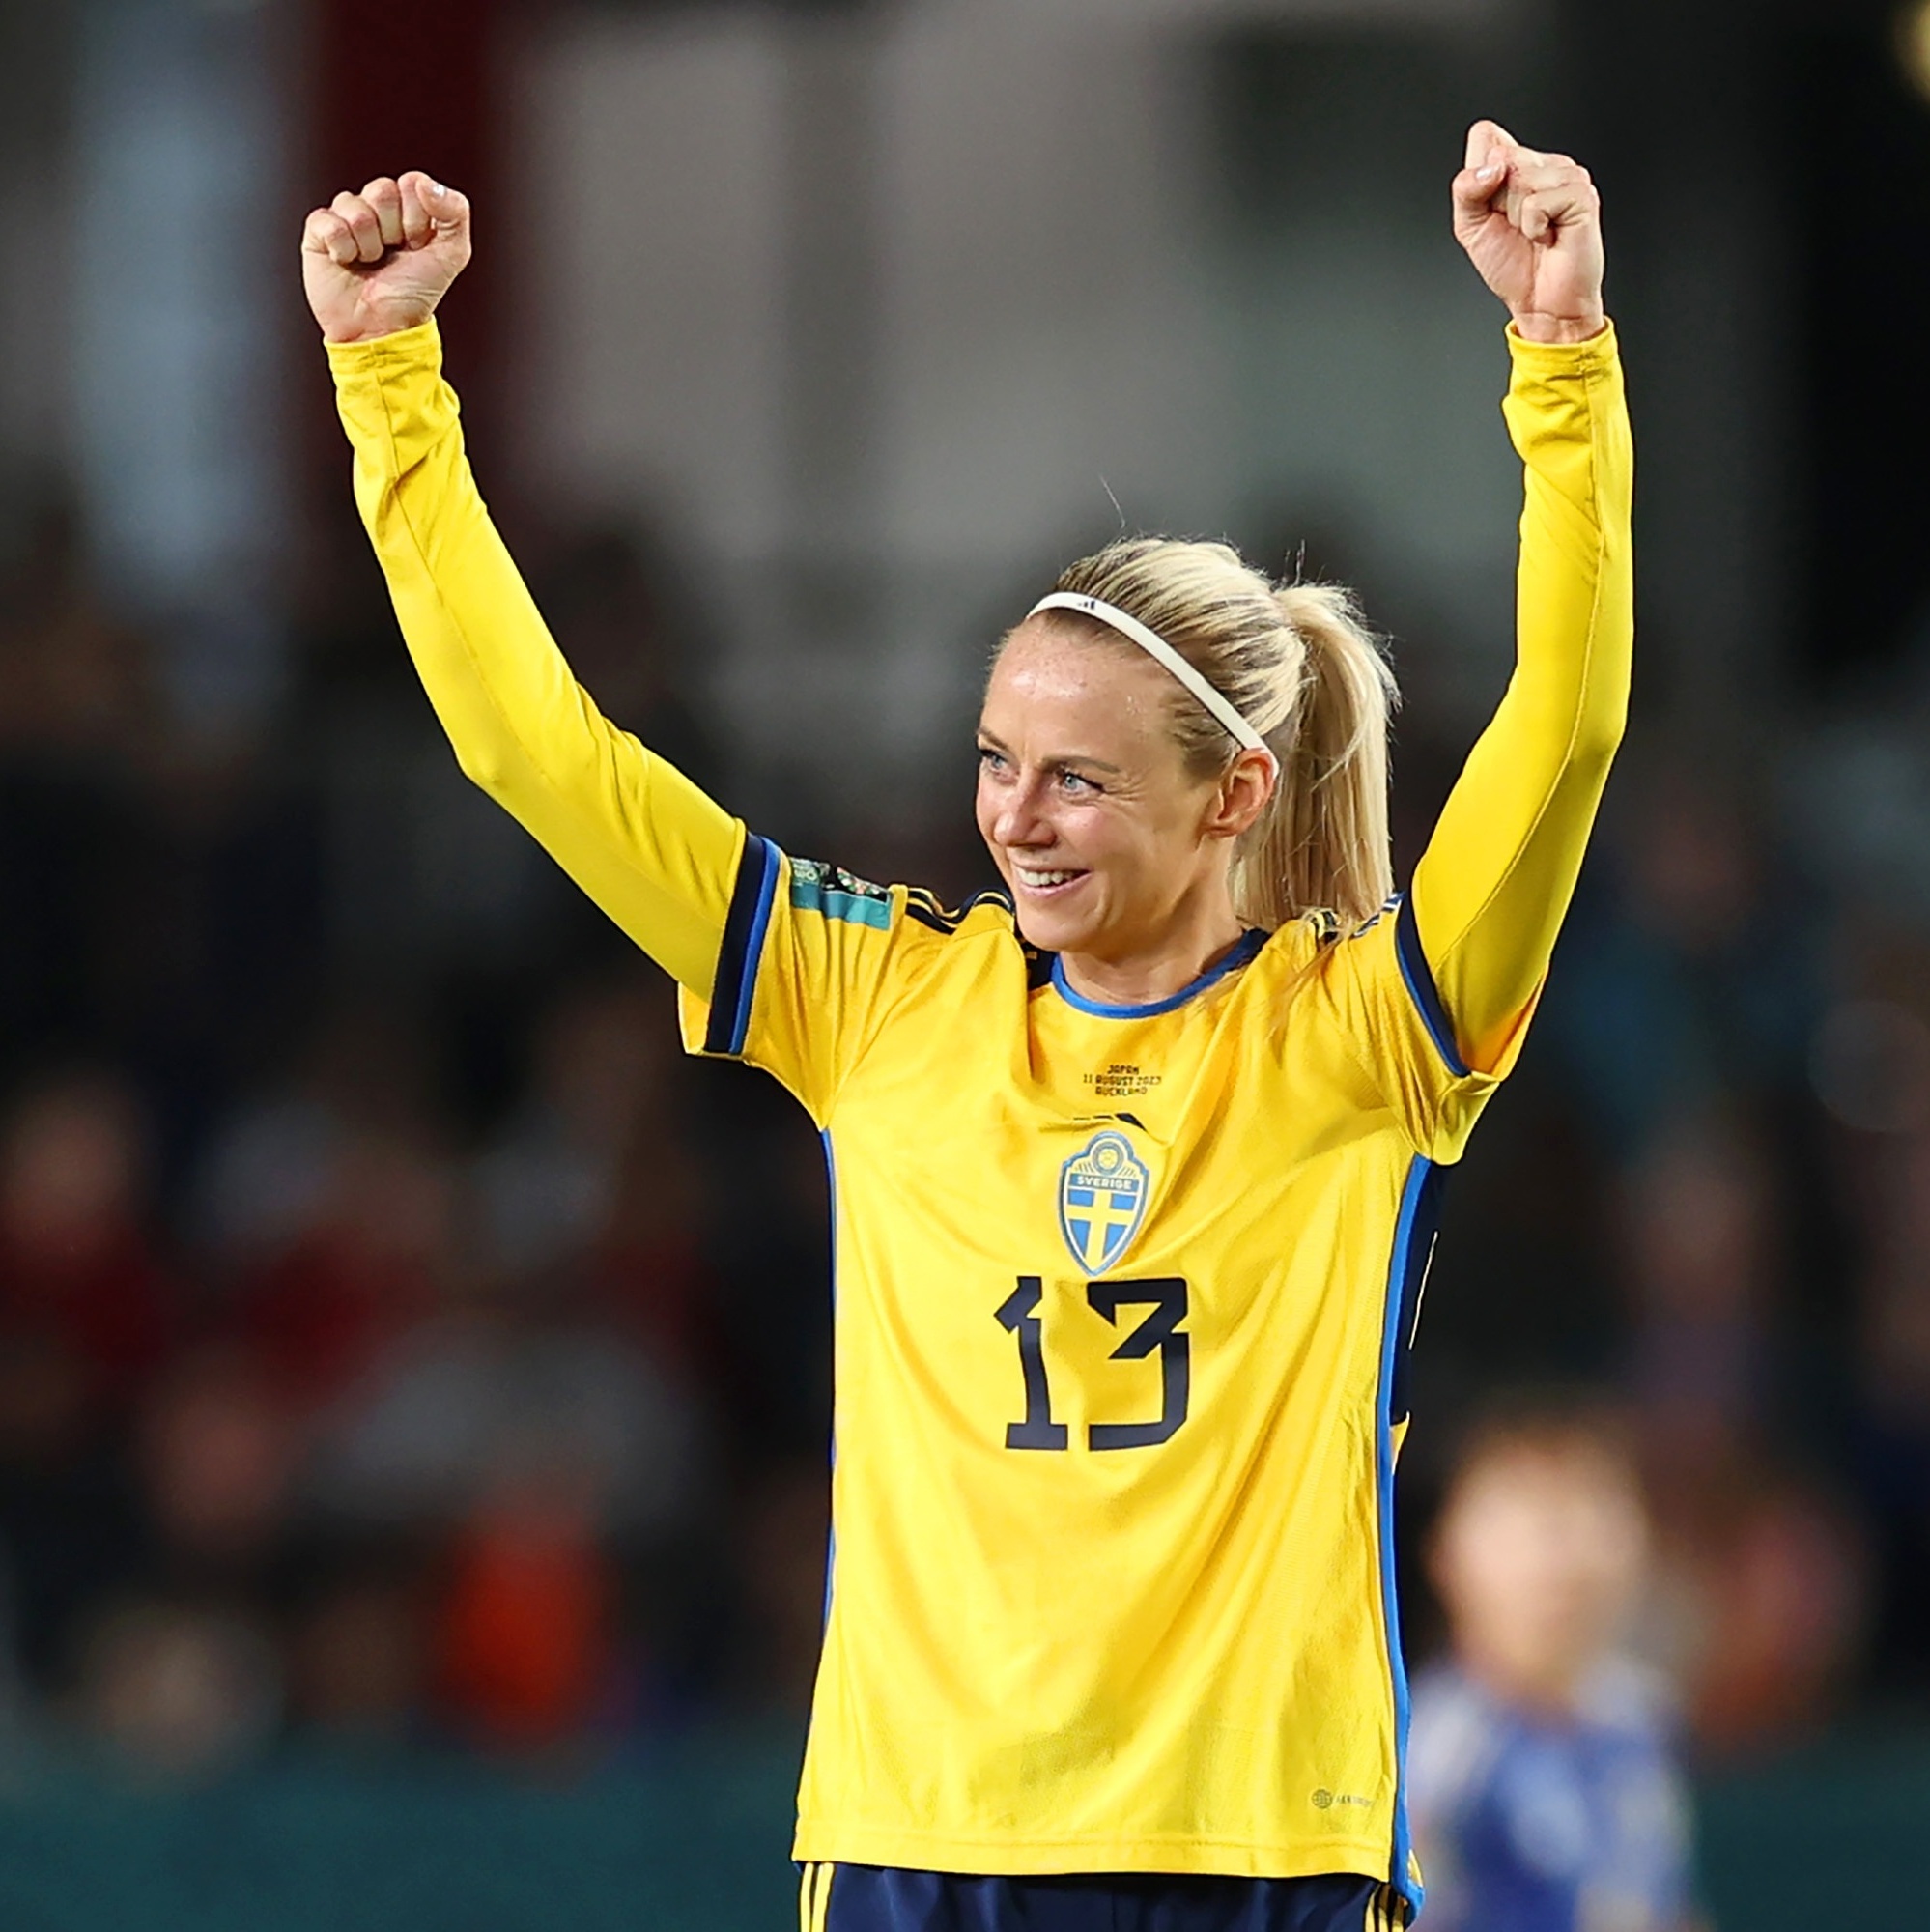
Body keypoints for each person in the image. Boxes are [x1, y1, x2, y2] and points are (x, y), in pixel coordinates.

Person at [301, 116, 1630, 1932]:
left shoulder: (1368, 1039)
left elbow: (1558, 734)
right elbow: (535, 752)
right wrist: (391, 381)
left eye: (1076, 780)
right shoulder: (880, 998)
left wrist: (1559, 367)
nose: (1012, 817)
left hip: (1262, 1851)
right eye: (998, 762)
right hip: (926, 1842)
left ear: (1234, 799)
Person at [1409, 1406, 1702, 1932]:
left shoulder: (1641, 1719)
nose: (1562, 1560)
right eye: (1529, 1524)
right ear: (1445, 1554)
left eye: (1590, 1512)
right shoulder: (1433, 1751)